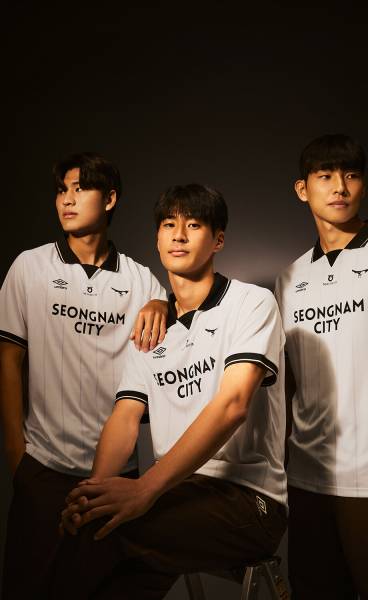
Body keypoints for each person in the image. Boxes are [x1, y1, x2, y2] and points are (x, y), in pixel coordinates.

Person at [45, 183, 288, 600]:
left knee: (107, 536)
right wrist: (95, 493)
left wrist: (145, 489)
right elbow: (124, 419)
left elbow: (233, 406)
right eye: (169, 225)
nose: (179, 236)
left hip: (248, 499)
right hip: (175, 492)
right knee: (92, 527)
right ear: (157, 238)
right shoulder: (151, 329)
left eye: (193, 225)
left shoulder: (251, 303)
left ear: (218, 240)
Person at [0, 152, 168, 598]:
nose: (67, 200)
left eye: (80, 188)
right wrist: (18, 458)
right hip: (44, 469)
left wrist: (163, 304)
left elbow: (172, 346)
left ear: (110, 199)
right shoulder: (30, 266)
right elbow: (8, 360)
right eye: (62, 190)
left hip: (114, 478)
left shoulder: (142, 281)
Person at [275, 134, 368, 599]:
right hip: (308, 480)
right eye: (325, 176)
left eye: (351, 175)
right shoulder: (290, 278)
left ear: (363, 185)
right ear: (302, 189)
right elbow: (287, 383)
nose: (340, 187)